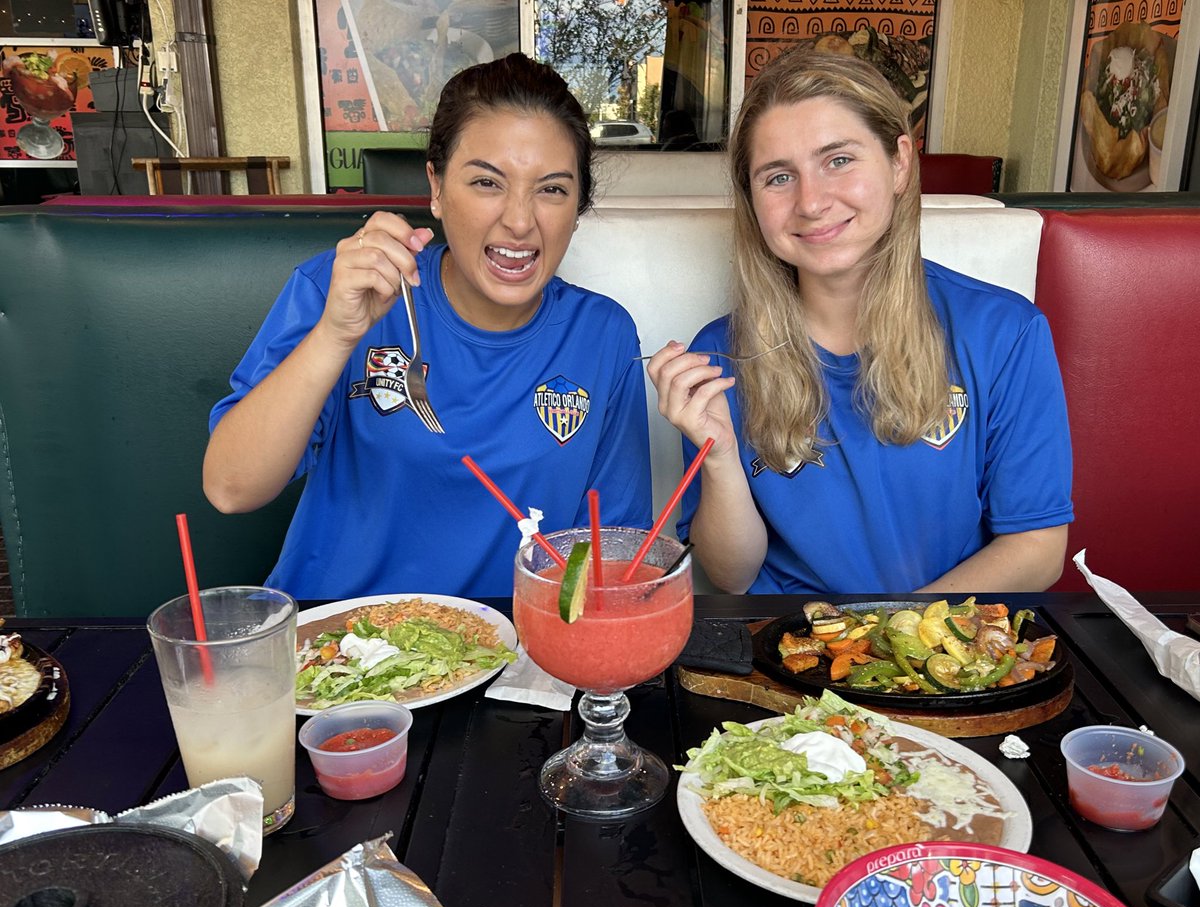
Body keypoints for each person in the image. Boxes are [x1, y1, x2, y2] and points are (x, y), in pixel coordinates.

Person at [204, 53, 652, 599]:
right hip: (335, 647)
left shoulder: (603, 335)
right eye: (487, 182)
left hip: (510, 657)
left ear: (579, 204)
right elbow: (231, 488)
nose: (519, 219)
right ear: (435, 188)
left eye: (552, 189)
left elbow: (613, 549)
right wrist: (336, 333)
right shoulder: (342, 289)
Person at [647, 48, 1073, 595]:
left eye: (839, 160)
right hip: (782, 655)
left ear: (899, 162)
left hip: (943, 654)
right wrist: (722, 457)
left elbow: (1036, 550)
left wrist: (879, 639)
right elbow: (733, 577)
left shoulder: (1005, 333)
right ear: (752, 200)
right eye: (778, 177)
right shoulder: (720, 355)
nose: (812, 201)